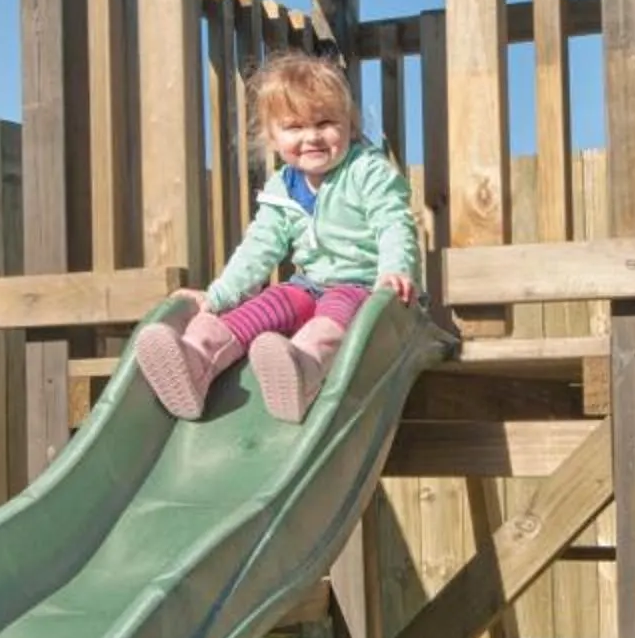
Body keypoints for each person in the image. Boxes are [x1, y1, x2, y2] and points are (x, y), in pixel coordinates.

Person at [132, 51, 422, 422]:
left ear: (350, 125)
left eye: (325, 122)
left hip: (361, 287)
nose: (312, 136)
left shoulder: (368, 172)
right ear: (273, 137)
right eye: (295, 127)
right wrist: (218, 296)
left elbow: (394, 222)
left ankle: (301, 369)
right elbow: (259, 248)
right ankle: (196, 360)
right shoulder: (282, 187)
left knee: (328, 323)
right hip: (307, 284)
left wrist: (394, 271)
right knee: (260, 308)